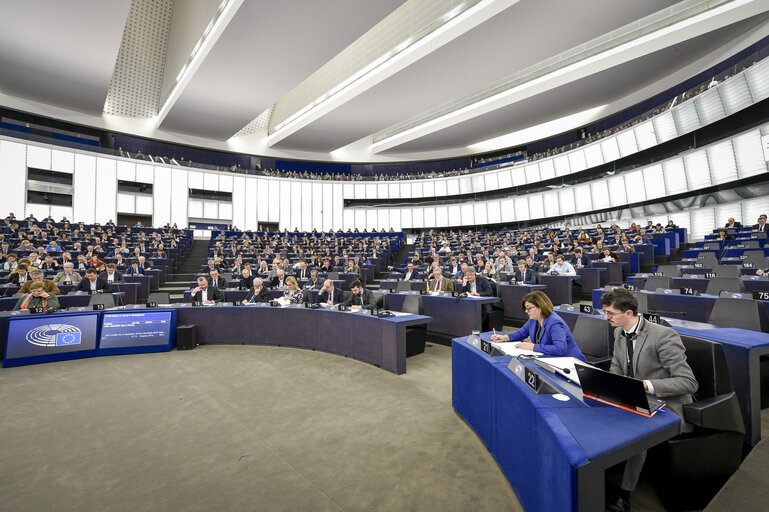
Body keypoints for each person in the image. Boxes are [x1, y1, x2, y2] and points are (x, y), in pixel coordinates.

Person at [598, 288, 697, 512]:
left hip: (666, 403)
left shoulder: (662, 335)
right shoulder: (619, 332)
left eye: (610, 313)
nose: (606, 317)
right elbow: (617, 366)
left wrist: (645, 386)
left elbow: (688, 382)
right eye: (605, 312)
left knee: (635, 425)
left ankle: (623, 496)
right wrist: (610, 385)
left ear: (629, 313)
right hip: (635, 396)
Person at [491, 291, 586, 359]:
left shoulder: (554, 322)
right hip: (551, 359)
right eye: (525, 308)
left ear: (540, 306)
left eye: (529, 308)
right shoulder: (533, 319)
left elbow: (560, 349)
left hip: (570, 362)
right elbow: (522, 332)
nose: (526, 311)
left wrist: (532, 346)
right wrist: (505, 337)